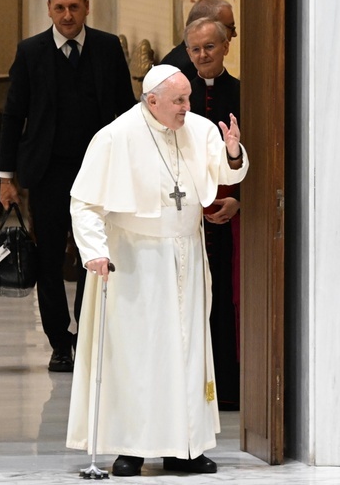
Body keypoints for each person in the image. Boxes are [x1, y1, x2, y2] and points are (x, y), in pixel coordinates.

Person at [65, 64, 249, 476]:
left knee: (186, 351)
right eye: (179, 100)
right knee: (138, 355)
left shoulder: (198, 128)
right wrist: (94, 250)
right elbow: (85, 202)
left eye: (187, 98)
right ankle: (130, 447)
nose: (188, 107)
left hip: (186, 253)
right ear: (152, 102)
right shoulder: (115, 137)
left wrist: (233, 150)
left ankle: (184, 447)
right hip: (135, 260)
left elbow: (226, 171)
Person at [0, 0, 135, 372]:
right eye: (60, 8)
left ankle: (87, 333)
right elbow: (13, 114)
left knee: (94, 255)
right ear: (49, 10)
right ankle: (60, 341)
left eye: (74, 7)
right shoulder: (31, 52)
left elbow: (126, 112)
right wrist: (7, 177)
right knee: (49, 257)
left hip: (98, 172)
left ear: (87, 7)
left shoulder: (107, 48)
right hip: (48, 172)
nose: (68, 15)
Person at [185, 16, 242, 409]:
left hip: (230, 215)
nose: (203, 55)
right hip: (185, 215)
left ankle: (226, 389)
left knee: (223, 300)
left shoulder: (242, 92)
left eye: (210, 47)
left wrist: (240, 199)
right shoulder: (177, 95)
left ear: (225, 47)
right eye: (195, 49)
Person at [160, 0, 237, 81]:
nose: (234, 34)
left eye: (209, 47)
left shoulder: (180, 57)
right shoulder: (187, 70)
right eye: (230, 27)